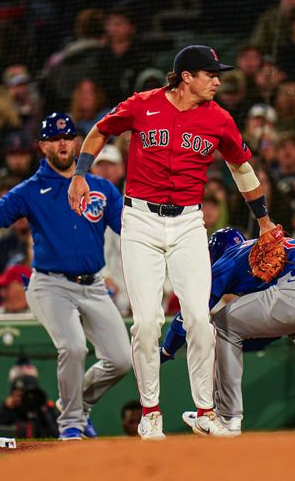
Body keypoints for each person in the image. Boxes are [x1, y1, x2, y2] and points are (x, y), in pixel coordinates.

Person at [68, 45, 277, 439]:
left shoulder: (219, 119)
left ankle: (205, 412)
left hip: (187, 223)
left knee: (199, 319)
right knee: (146, 323)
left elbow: (241, 167)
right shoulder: (142, 105)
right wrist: (81, 173)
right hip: (141, 221)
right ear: (186, 77)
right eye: (210, 74)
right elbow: (100, 130)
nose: (217, 80)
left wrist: (264, 220)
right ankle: (151, 413)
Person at [0, 112, 131, 441]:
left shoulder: (101, 187)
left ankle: (73, 403)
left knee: (122, 360)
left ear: (78, 143)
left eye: (68, 137)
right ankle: (70, 425)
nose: (63, 143)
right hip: (51, 285)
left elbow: (129, 230)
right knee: (74, 347)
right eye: (55, 138)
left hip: (93, 286)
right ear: (42, 146)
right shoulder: (31, 190)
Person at [161, 227, 295, 435]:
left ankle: (227, 418)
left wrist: (166, 350)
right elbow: (265, 332)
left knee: (220, 326)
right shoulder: (265, 247)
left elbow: (192, 313)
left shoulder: (231, 255)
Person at [0, 358, 60, 439]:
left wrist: (44, 412)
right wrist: (6, 410)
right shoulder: (10, 409)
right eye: (19, 392)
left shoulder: (46, 409)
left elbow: (57, 435)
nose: (26, 397)